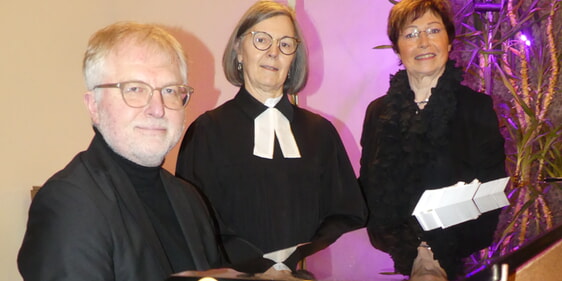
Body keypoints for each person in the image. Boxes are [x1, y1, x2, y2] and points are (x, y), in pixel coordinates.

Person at [18, 22, 224, 281]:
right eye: (135, 89)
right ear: (94, 106)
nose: (157, 109)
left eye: (170, 90)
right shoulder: (69, 205)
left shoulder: (189, 199)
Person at [175, 0, 367, 277]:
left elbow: (348, 214)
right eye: (261, 40)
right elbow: (194, 224)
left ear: (294, 58)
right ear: (239, 50)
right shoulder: (207, 131)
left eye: (286, 44)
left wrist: (300, 257)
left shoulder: (320, 133)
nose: (274, 53)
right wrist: (261, 267)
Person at [358, 0, 506, 279]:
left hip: (459, 247)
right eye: (410, 33)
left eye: (433, 30)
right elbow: (368, 186)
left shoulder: (477, 108)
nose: (423, 42)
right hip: (395, 249)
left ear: (449, 41)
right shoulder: (377, 112)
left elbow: (491, 192)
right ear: (397, 48)